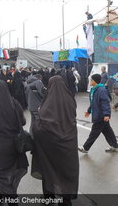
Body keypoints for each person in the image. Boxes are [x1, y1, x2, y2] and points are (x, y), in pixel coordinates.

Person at [31, 75, 79, 205]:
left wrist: (36, 125)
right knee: (66, 171)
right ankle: (66, 200)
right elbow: (72, 119)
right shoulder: (70, 99)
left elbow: (40, 127)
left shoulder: (47, 103)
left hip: (50, 146)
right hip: (68, 144)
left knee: (48, 169)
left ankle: (49, 198)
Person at [78, 74, 118, 154]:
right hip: (99, 114)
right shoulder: (94, 89)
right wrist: (89, 111)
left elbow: (105, 102)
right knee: (108, 131)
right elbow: (94, 102)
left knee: (94, 132)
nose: (90, 81)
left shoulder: (101, 90)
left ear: (95, 81)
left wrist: (106, 114)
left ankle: (85, 148)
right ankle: (115, 146)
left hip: (101, 115)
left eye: (91, 80)